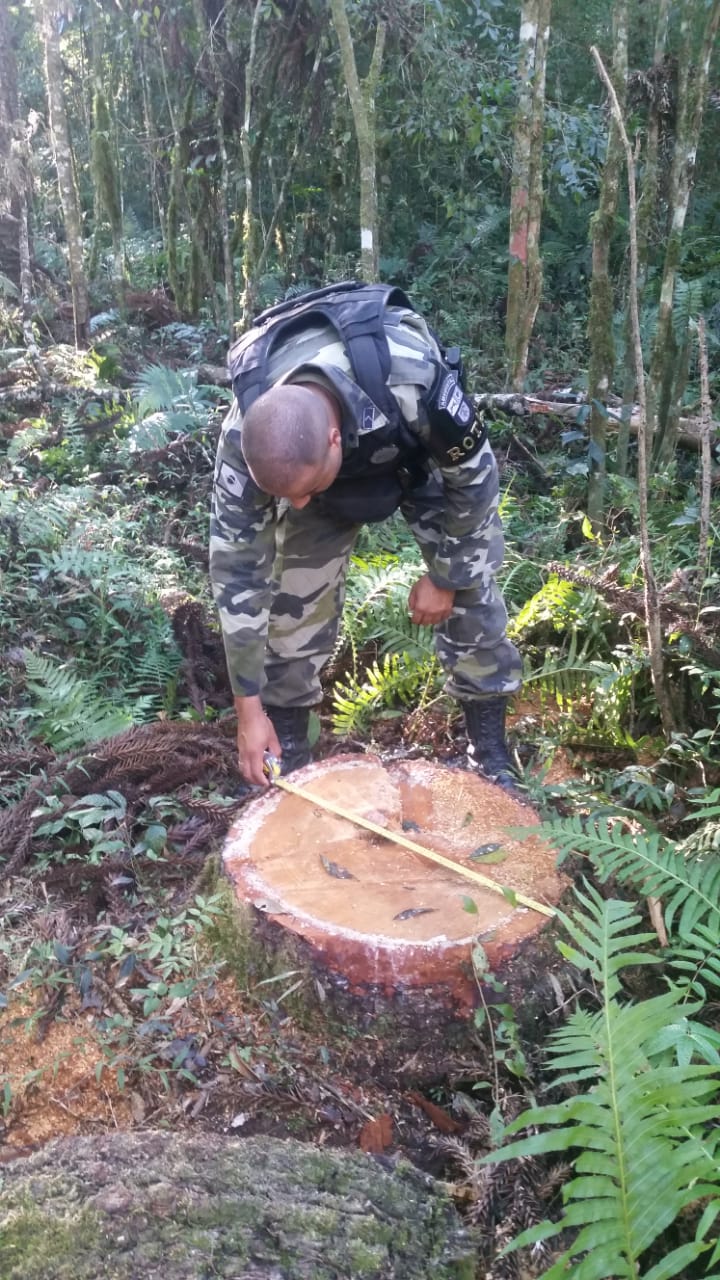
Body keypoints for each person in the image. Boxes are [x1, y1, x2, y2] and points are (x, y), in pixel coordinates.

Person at [209, 282, 523, 791]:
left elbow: (476, 480)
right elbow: (237, 574)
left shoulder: (411, 376)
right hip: (321, 467)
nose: (301, 506)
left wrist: (445, 575)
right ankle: (285, 757)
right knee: (291, 612)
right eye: (291, 497)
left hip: (415, 457)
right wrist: (248, 713)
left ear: (334, 439)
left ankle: (489, 752)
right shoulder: (246, 436)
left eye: (305, 491)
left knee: (471, 594)